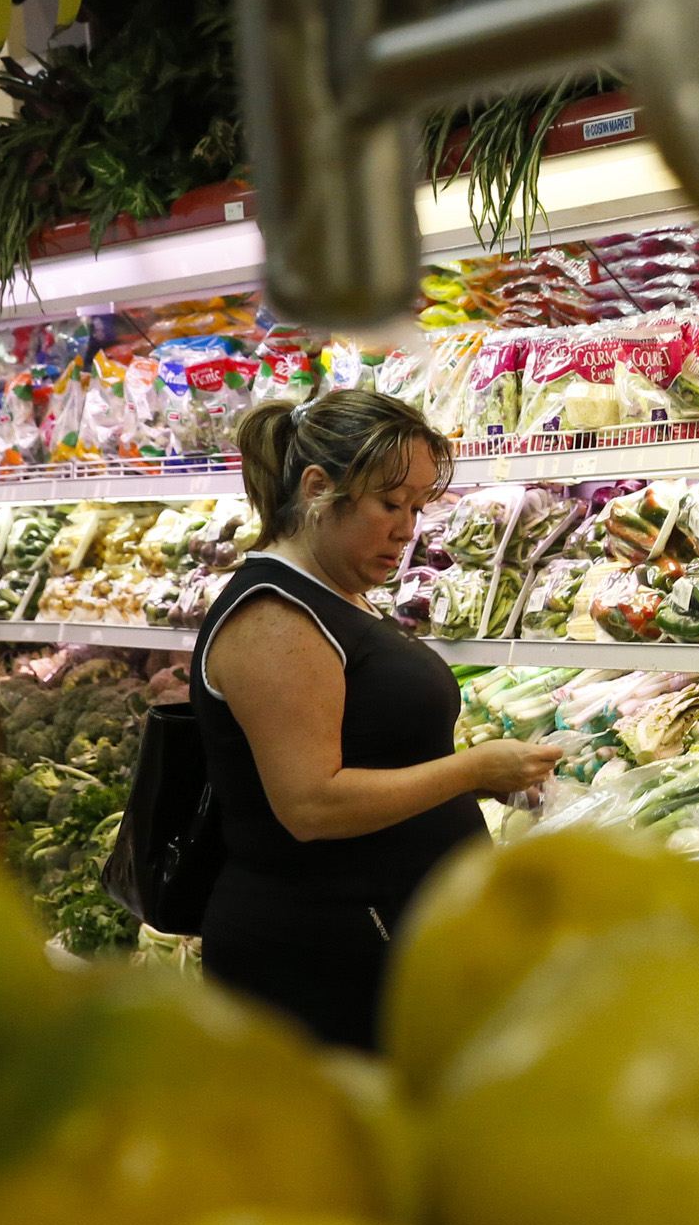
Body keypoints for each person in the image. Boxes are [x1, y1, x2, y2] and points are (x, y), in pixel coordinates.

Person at [192, 389, 558, 1049]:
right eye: (390, 504)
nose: (408, 528)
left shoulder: (335, 596)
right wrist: (471, 769)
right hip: (319, 961)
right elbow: (311, 804)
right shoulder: (274, 616)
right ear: (317, 488)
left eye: (417, 507)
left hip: (375, 944)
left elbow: (371, 748)